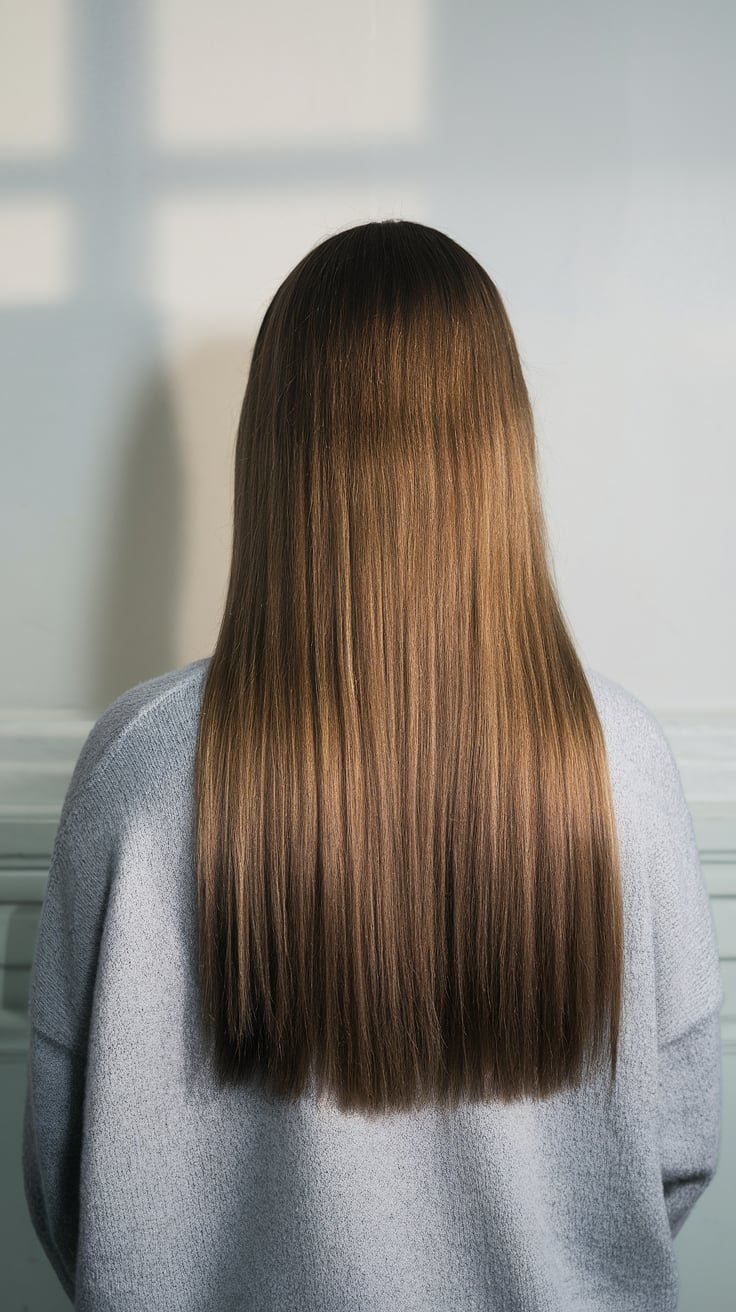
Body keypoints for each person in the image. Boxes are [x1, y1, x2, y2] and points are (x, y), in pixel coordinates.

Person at [23, 219, 723, 1310]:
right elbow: (675, 1149)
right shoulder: (620, 763)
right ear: (502, 447)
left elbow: (68, 1173)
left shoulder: (139, 771)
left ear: (274, 449)